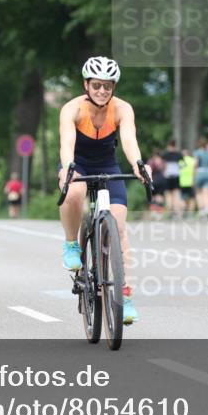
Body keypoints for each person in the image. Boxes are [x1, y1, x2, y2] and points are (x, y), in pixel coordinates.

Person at [57, 56, 149, 325]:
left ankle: (125, 296)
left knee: (119, 229)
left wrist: (138, 164)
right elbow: (66, 143)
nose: (102, 91)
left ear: (113, 87)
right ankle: (71, 243)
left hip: (108, 165)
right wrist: (69, 168)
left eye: (107, 86)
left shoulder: (122, 109)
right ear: (86, 85)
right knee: (74, 193)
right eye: (96, 85)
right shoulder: (72, 109)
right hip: (78, 164)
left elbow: (129, 140)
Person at [193, 136, 208, 217]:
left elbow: (196, 164)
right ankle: (207, 209)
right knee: (207, 193)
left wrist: (194, 175)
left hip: (200, 173)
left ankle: (202, 210)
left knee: (199, 193)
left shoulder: (197, 152)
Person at [161, 140, 184, 217]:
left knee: (168, 195)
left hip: (167, 177)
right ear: (175, 145)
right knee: (176, 194)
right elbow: (183, 165)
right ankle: (177, 213)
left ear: (168, 146)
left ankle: (169, 212)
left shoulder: (165, 155)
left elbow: (162, 165)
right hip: (176, 176)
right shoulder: (178, 155)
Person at [178, 148, 197, 216]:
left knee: (182, 198)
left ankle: (183, 211)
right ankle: (190, 213)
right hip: (190, 181)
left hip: (182, 182)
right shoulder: (192, 160)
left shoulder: (180, 161)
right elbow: (195, 171)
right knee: (192, 198)